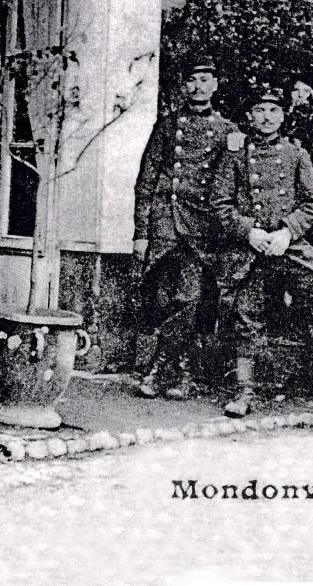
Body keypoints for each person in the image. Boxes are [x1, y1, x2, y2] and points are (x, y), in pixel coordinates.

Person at [211, 85, 313, 419]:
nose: (267, 118)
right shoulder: (235, 154)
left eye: (274, 111)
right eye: (260, 110)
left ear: (283, 116)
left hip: (290, 244)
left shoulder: (297, 154)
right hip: (252, 248)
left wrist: (287, 230)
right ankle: (243, 392)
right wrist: (248, 231)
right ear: (249, 115)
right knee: (245, 315)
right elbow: (221, 203)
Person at [131, 59, 240, 399]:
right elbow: (146, 180)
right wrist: (141, 231)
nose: (197, 86)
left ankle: (167, 368)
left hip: (202, 225)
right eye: (191, 80)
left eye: (204, 79)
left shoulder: (229, 130)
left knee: (189, 298)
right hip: (165, 220)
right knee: (163, 297)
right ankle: (174, 371)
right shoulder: (166, 126)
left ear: (215, 85)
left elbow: (236, 181)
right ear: (183, 86)